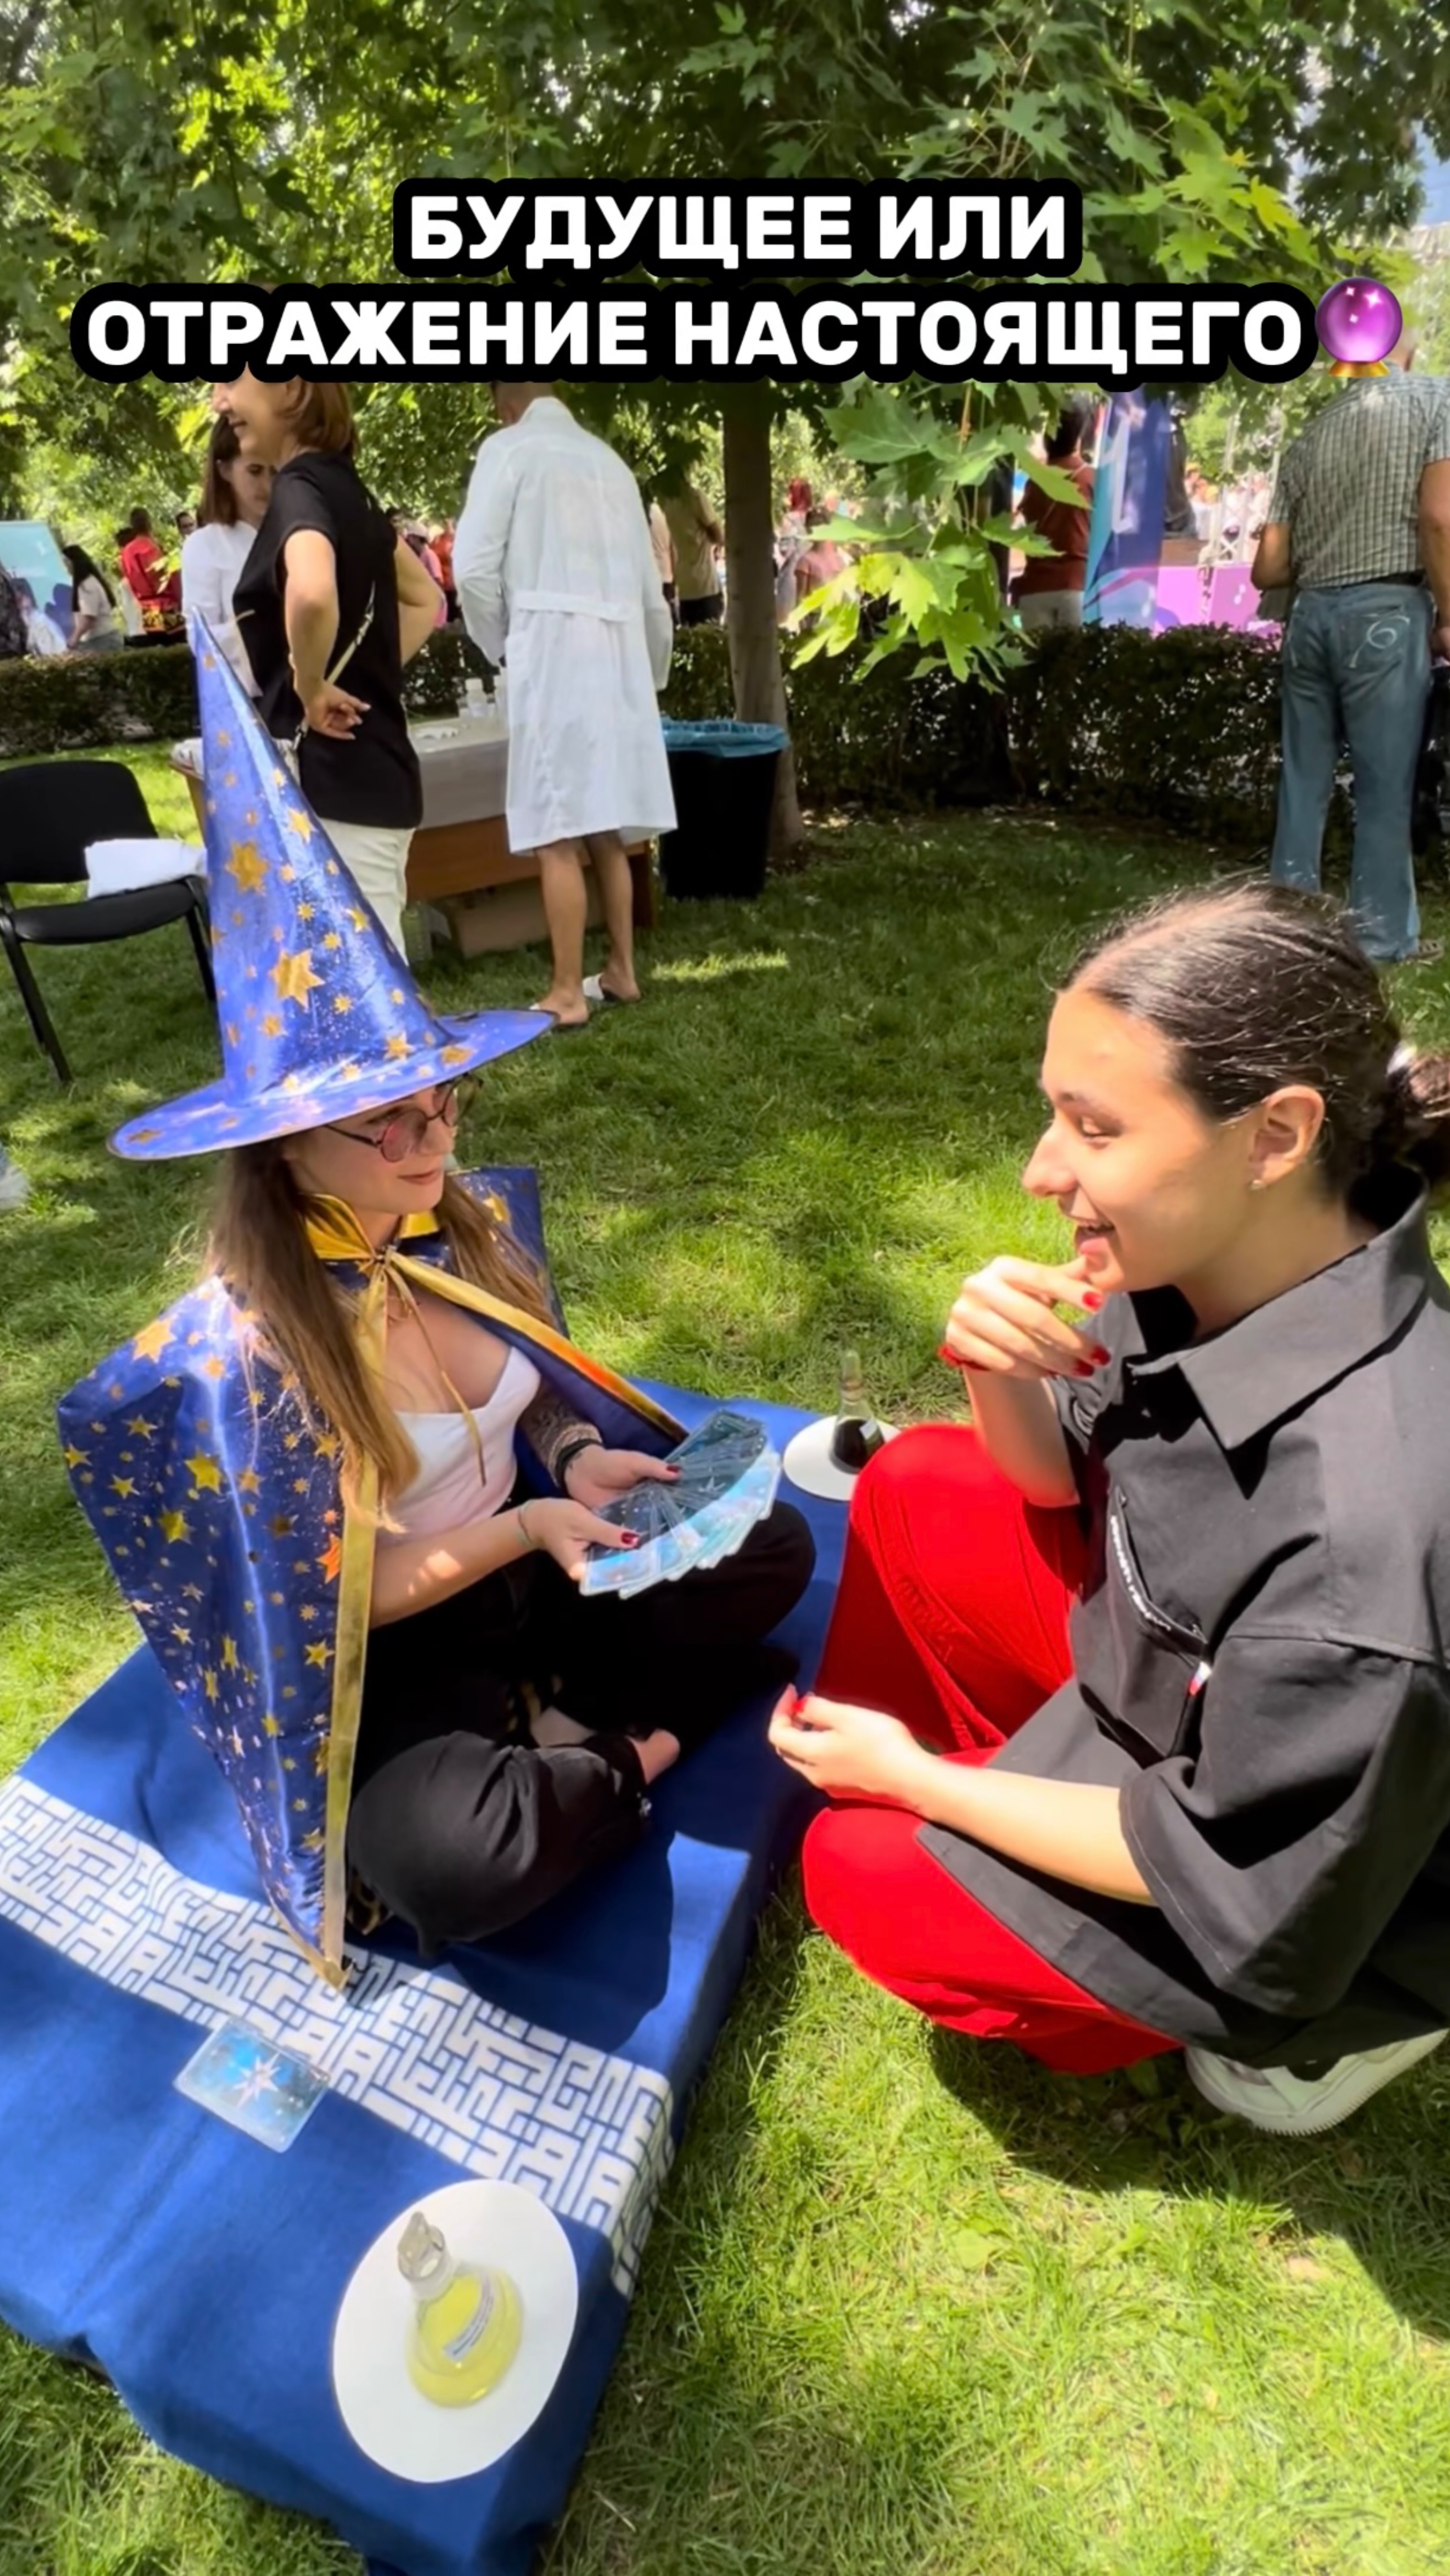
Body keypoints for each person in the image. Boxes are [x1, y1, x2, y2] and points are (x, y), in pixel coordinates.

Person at [61, 638, 813, 1978]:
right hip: (402, 1641)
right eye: (389, 1124)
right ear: (282, 1147)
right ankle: (625, 1750)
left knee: (769, 1542)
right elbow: (321, 1603)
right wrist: (525, 1524)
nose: (435, 1144)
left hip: (546, 1563)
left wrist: (572, 1456)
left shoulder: (461, 1220)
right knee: (449, 1864)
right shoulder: (246, 1355)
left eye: (443, 1101)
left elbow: (536, 1399)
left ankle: (563, 1726)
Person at [771, 881, 1450, 2139]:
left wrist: (921, 1784)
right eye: (1054, 1114)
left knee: (857, 1878)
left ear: (1275, 1135)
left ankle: (1338, 2038)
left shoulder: (1365, 1547)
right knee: (919, 1480)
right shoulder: (1220, 1254)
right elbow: (1051, 1480)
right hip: (1176, 1680)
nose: (1041, 1172)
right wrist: (993, 1364)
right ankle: (930, 1778)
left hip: (1300, 1882)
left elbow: (1236, 1873)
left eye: (1094, 1128)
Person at [454, 381, 677, 1028]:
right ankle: (622, 969)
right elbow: (651, 591)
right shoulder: (611, 464)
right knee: (606, 823)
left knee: (554, 826)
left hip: (551, 649)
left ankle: (566, 991)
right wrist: (650, 671)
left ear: (504, 405)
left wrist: (503, 643)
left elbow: (471, 571)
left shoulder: (508, 451)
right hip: (619, 653)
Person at [215, 373, 441, 956]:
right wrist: (364, 672)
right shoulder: (349, 491)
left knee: (364, 988)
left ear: (291, 387)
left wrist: (311, 684)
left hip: (337, 783)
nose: (219, 402)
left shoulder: (299, 489)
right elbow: (424, 598)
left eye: (230, 379)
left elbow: (313, 593)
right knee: (371, 977)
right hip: (375, 774)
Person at [1253, 331, 1450, 965]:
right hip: (1387, 611)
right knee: (1383, 788)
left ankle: (1286, 928)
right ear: (1403, 351)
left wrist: (1327, 546)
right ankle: (1381, 938)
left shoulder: (1309, 434)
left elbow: (1267, 568)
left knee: (1302, 780)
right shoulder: (1436, 400)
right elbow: (1439, 517)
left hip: (1309, 617)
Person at [179, 418, 274, 692]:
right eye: (255, 471)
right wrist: (270, 624)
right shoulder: (205, 545)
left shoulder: (298, 535)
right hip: (251, 701)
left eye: (276, 471)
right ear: (225, 470)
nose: (268, 485)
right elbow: (201, 639)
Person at [1012, 399, 1096, 632]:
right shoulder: (1091, 479)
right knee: (1076, 654)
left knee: (1038, 655)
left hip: (1035, 588)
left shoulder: (1034, 484)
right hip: (1076, 585)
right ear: (1078, 439)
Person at [660, 471, 724, 626]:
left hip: (685, 587)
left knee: (690, 634)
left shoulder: (667, 504)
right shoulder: (695, 498)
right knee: (710, 634)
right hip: (705, 585)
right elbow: (719, 536)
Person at [61, 543, 124, 652]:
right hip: (102, 639)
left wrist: (74, 640)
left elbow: (89, 619)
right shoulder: (88, 583)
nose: (65, 566)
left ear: (74, 562)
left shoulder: (87, 585)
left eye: (66, 562)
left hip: (102, 640)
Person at [15, 578, 66, 655]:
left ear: (29, 598)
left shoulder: (41, 625)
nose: (23, 605)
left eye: (20, 600)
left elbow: (47, 656)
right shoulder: (19, 625)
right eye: (16, 602)